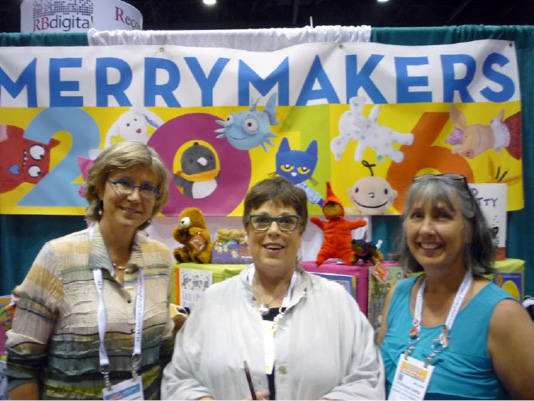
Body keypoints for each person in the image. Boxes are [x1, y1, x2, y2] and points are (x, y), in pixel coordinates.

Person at [161, 175, 385, 400]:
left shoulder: (337, 301)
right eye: (261, 220)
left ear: (301, 232)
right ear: (247, 230)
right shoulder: (213, 301)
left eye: (287, 221)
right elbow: (179, 379)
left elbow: (368, 379)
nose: (274, 230)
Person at [6, 141, 176, 400]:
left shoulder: (160, 258)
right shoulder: (57, 256)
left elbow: (163, 352)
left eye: (147, 188)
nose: (135, 196)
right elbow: (22, 366)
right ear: (98, 187)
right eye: (124, 182)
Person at [377, 173, 534, 400]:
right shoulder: (398, 295)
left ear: (469, 230)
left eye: (442, 217)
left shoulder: (503, 315)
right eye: (417, 216)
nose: (426, 229)